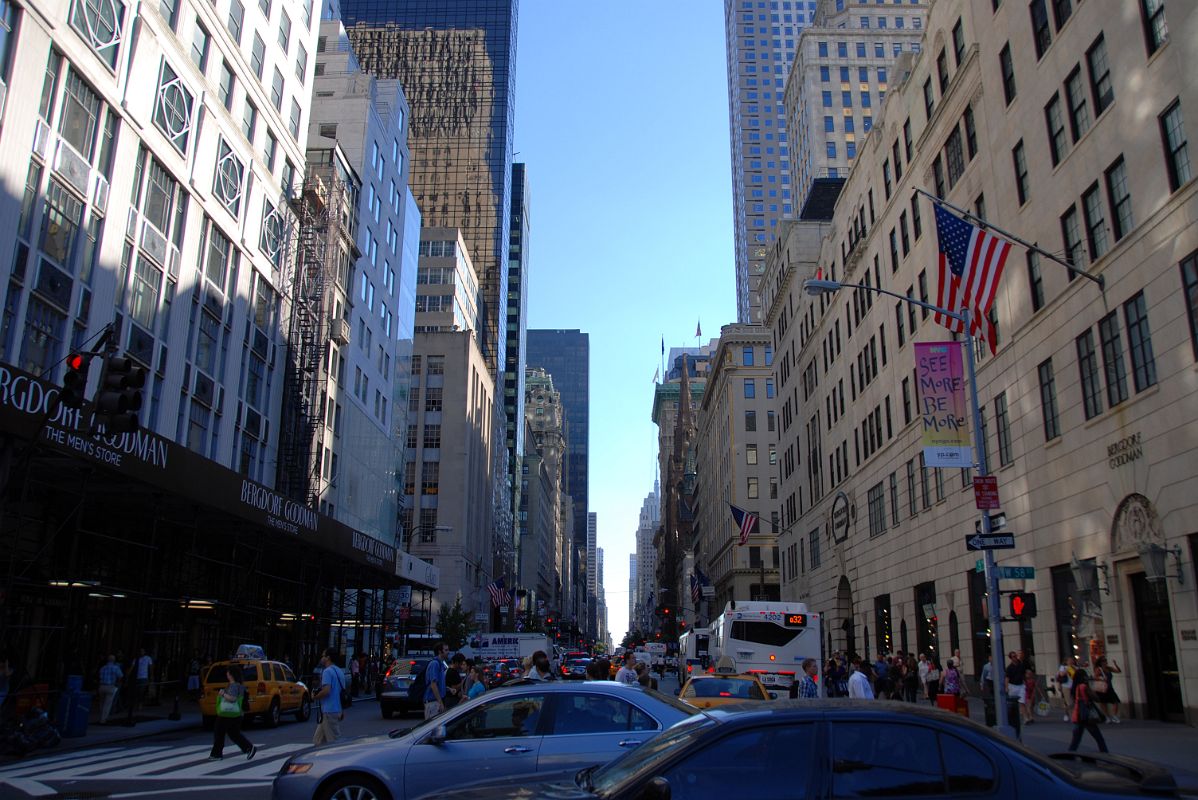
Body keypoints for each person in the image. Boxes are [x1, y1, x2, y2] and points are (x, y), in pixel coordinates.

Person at [209, 665, 256, 761]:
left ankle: (216, 754)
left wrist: (223, 694)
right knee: (234, 734)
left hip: (227, 714)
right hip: (236, 714)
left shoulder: (234, 685)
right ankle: (248, 748)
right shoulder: (240, 685)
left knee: (219, 732)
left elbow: (232, 698)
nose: (227, 674)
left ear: (231, 674)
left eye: (228, 672)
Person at [1068, 669, 1109, 753]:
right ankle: (1105, 752)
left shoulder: (1075, 687)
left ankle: (1070, 753)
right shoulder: (1084, 686)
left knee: (1076, 738)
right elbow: (1095, 698)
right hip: (1087, 715)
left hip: (1078, 714)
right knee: (1098, 737)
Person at [312, 648, 346, 745]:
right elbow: (341, 693)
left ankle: (338, 759)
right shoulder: (339, 671)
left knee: (334, 742)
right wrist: (342, 710)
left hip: (329, 710)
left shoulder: (327, 672)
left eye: (323, 656)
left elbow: (326, 691)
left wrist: (315, 696)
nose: (322, 658)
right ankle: (318, 758)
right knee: (318, 741)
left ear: (328, 658)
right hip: (335, 709)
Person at [422, 642, 449, 719]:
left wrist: (448, 689)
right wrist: (440, 703)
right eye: (446, 650)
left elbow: (439, 685)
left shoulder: (441, 664)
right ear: (440, 652)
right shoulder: (435, 664)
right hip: (433, 703)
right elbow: (433, 685)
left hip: (436, 702)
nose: (448, 652)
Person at [1092, 656, 1122, 723]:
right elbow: (1094, 677)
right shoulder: (1099, 669)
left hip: (1109, 687)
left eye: (1106, 661)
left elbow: (1119, 671)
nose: (1105, 662)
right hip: (1102, 688)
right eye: (1104, 661)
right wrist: (1102, 678)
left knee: (1115, 701)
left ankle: (1114, 716)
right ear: (1100, 662)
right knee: (1103, 703)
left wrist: (1115, 664)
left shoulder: (1108, 668)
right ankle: (1107, 716)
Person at [98, 655, 123, 724]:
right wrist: (117, 683)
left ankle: (101, 717)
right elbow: (120, 676)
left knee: (102, 703)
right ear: (114, 660)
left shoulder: (103, 668)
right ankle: (103, 719)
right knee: (107, 704)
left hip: (102, 686)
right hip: (110, 686)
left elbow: (99, 676)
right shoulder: (116, 667)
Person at [1004, 651, 1028, 722]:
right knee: (1013, 704)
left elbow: (1024, 674)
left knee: (1022, 702)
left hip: (1021, 685)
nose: (1015, 657)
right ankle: (1013, 718)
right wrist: (1006, 687)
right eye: (1013, 656)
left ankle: (1025, 718)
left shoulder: (1021, 665)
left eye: (1015, 656)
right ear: (1011, 658)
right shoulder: (1009, 668)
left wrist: (1025, 681)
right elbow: (1007, 678)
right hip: (1013, 686)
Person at [1056, 657, 1077, 722]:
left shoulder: (1075, 667)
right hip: (1066, 686)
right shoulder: (1063, 667)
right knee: (1069, 702)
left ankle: (1067, 714)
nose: (1071, 662)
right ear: (1066, 661)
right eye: (1069, 660)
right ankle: (1072, 716)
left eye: (1072, 660)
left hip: (1074, 686)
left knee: (1071, 701)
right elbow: (1061, 674)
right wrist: (1068, 669)